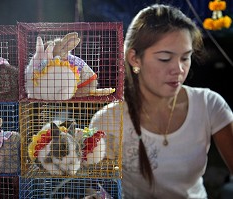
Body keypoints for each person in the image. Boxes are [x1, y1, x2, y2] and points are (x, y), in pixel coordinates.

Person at [89, 3, 233, 199]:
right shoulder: (108, 120)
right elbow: (96, 187)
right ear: (134, 59)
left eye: (185, 58)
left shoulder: (209, 104)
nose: (179, 69)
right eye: (165, 58)